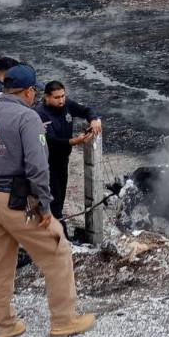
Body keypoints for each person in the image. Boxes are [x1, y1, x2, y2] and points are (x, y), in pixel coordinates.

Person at [0, 64, 95, 337]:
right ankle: (64, 321)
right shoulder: (27, 119)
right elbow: (38, 167)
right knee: (57, 250)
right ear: (29, 92)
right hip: (16, 201)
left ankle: (4, 326)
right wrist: (44, 207)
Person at [36, 81, 102, 230]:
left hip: (63, 159)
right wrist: (74, 141)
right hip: (47, 161)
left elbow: (86, 109)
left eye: (63, 96)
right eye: (56, 97)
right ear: (46, 97)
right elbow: (50, 141)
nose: (61, 100)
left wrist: (94, 119)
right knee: (53, 198)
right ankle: (59, 233)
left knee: (60, 195)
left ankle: (56, 227)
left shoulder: (66, 105)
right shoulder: (39, 113)